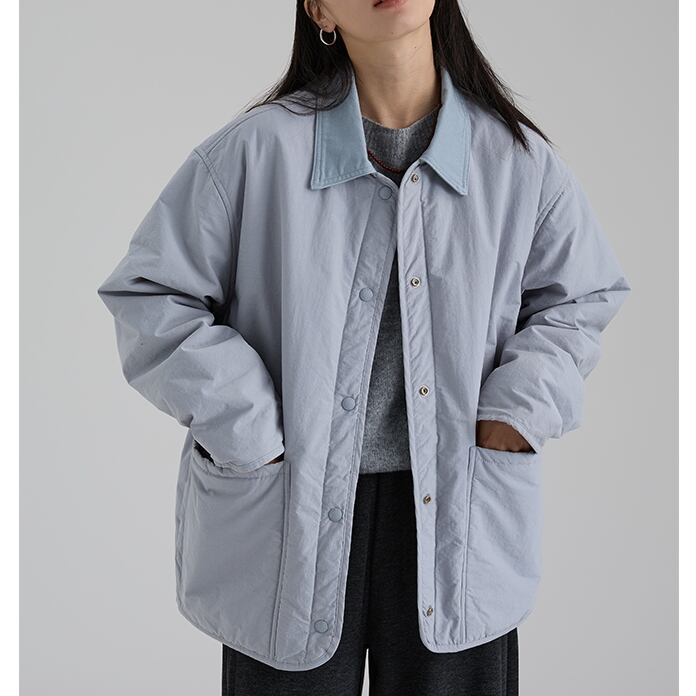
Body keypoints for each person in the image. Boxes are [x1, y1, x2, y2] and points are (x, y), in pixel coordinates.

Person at [96, 1, 631, 693]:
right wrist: (249, 429)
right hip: (290, 509)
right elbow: (150, 295)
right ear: (319, 8)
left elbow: (582, 296)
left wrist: (515, 415)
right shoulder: (257, 151)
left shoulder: (516, 162)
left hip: (459, 508)